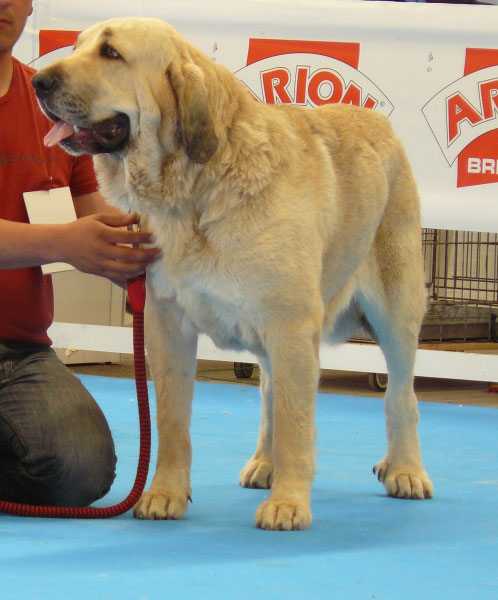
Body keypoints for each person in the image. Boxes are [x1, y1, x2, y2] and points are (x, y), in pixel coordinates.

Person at [0, 0, 161, 507]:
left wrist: (171, 251)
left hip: (20, 353)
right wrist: (65, 241)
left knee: (81, 470)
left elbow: (102, 218)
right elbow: (73, 233)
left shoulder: (49, 103)